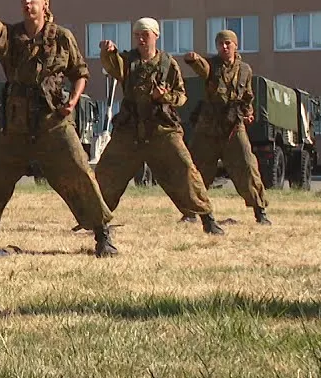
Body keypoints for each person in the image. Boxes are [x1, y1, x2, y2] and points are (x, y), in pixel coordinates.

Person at [0, 0, 118, 257]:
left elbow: (80, 72)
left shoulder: (62, 37)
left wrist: (73, 100)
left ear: (45, 4)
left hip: (51, 121)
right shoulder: (13, 35)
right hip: (15, 123)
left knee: (78, 172)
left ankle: (102, 235)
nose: (27, 2)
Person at [92, 19, 225, 235]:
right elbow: (113, 67)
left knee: (185, 169)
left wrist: (164, 97)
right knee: (107, 171)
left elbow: (181, 96)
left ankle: (207, 218)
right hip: (130, 129)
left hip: (161, 129)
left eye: (145, 34)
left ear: (156, 35)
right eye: (137, 35)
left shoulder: (167, 63)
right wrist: (107, 53)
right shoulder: (127, 61)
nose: (141, 39)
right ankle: (95, 220)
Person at [184, 30, 271, 225]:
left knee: (248, 165)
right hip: (208, 128)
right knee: (197, 169)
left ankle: (260, 211)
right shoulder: (212, 65)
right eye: (220, 44)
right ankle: (190, 212)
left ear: (235, 45)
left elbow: (247, 96)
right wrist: (193, 60)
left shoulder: (245, 70)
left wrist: (248, 112)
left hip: (233, 127)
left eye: (227, 43)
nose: (224, 47)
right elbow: (202, 68)